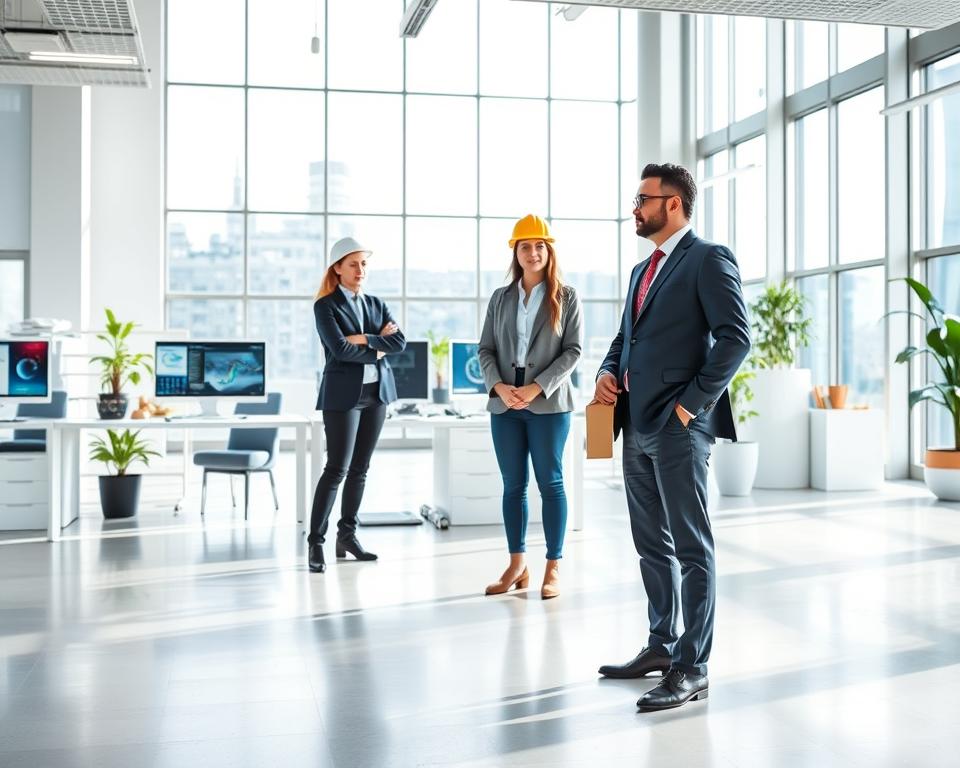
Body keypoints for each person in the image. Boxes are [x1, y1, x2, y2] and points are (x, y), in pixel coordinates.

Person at [594, 164, 751, 711]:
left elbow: (736, 339)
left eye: (643, 199)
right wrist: (606, 372)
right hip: (635, 423)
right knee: (650, 544)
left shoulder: (708, 258)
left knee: (691, 547)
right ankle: (661, 646)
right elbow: (624, 339)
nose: (634, 209)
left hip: (680, 428)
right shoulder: (643, 271)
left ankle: (693, 665)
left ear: (674, 205)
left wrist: (690, 406)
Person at [478, 214, 583, 600]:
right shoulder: (500, 298)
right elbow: (485, 349)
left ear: (548, 251)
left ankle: (553, 566)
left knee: (551, 483)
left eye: (540, 245)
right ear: (516, 252)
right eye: (526, 246)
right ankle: (517, 565)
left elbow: (573, 351)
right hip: (506, 403)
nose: (533, 252)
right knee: (513, 487)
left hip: (549, 403)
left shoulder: (567, 296)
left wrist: (538, 387)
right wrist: (499, 387)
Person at [308, 236, 406, 574]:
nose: (360, 269)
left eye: (364, 263)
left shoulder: (376, 304)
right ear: (337, 269)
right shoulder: (325, 306)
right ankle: (315, 542)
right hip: (342, 398)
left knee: (361, 469)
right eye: (353, 264)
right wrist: (378, 344)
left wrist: (365, 339)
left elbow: (399, 342)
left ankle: (347, 536)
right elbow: (339, 351)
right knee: (337, 469)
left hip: (375, 395)